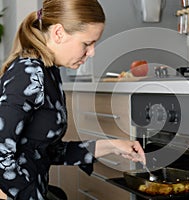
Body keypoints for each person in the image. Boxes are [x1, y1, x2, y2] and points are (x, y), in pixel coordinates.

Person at [0, 0, 145, 199]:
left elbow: (46, 151)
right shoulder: (29, 74)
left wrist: (112, 145)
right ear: (59, 33)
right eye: (87, 43)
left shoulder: (49, 72)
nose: (92, 52)